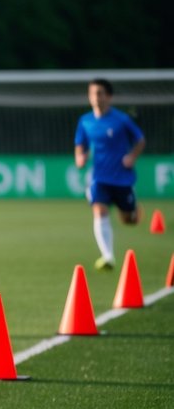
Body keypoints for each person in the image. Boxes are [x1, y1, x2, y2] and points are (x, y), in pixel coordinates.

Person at [75, 78, 146, 271]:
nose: (96, 97)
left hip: (122, 178)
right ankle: (108, 256)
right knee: (99, 210)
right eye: (92, 94)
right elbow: (80, 144)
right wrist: (80, 157)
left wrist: (132, 157)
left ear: (109, 96)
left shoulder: (121, 120)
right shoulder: (85, 121)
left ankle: (133, 210)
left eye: (99, 93)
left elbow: (140, 140)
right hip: (99, 177)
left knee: (129, 220)